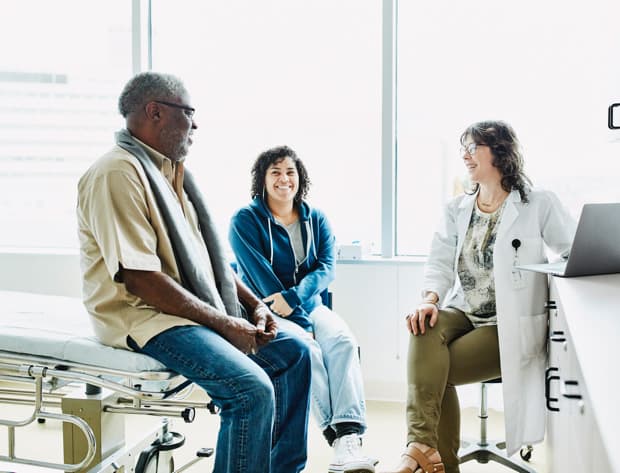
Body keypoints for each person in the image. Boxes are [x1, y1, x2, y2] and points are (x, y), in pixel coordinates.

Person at [77, 72, 311, 473]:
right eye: (188, 113)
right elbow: (141, 279)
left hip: (184, 310)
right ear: (155, 112)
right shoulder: (117, 173)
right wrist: (224, 323)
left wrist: (256, 308)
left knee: (295, 353)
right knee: (250, 391)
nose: (195, 124)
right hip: (144, 317)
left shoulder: (174, 177)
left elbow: (209, 262)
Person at [381, 120, 576, 473]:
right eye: (464, 150)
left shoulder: (537, 203)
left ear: (499, 152)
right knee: (422, 326)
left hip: (508, 322)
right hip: (465, 310)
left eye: (473, 148)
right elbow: (439, 262)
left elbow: (573, 251)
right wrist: (429, 298)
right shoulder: (457, 208)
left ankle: (426, 454)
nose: (466, 157)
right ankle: (423, 446)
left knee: (433, 372)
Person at [229, 146, 377, 473]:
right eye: (276, 172)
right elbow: (259, 278)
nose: (284, 179)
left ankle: (348, 439)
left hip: (309, 305)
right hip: (265, 311)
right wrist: (295, 317)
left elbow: (326, 267)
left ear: (300, 178)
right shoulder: (245, 220)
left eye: (290, 172)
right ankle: (333, 432)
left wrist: (297, 300)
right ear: (263, 180)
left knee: (341, 342)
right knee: (307, 349)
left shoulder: (316, 218)